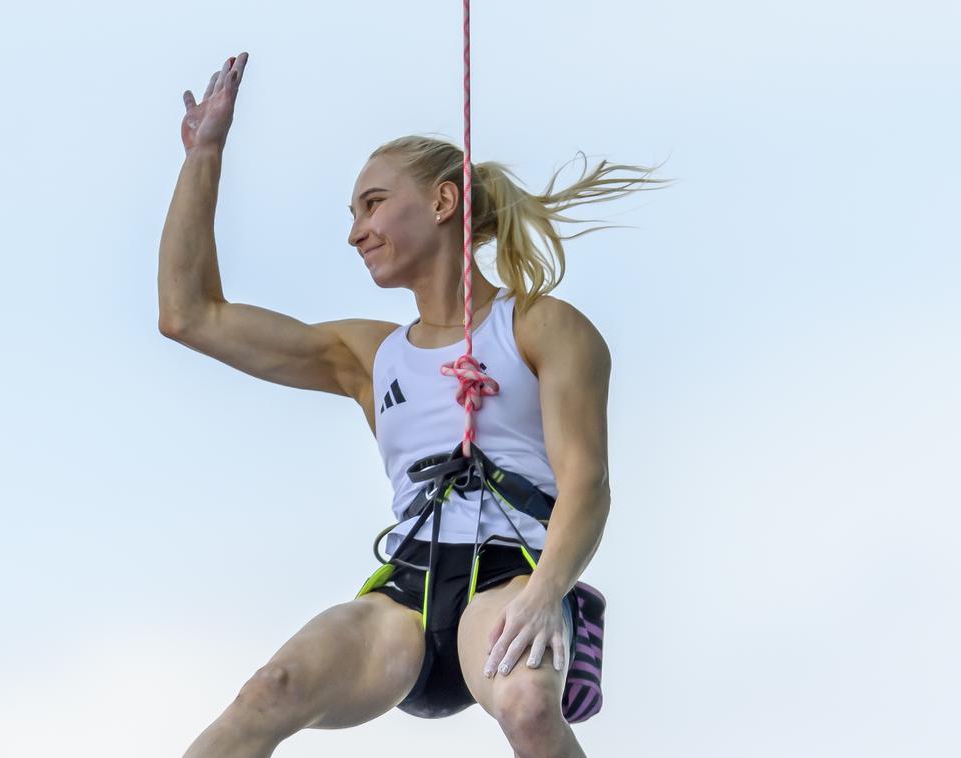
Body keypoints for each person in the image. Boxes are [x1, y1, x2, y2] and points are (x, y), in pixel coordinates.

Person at [161, 52, 668, 758]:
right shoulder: (369, 356)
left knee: (526, 706)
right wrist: (204, 157)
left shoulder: (544, 327)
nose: (354, 231)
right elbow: (191, 315)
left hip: (513, 576)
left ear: (442, 202)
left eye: (372, 203)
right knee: (268, 690)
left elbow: (588, 483)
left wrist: (548, 590)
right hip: (409, 590)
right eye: (353, 213)